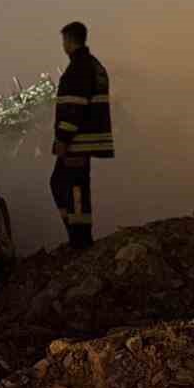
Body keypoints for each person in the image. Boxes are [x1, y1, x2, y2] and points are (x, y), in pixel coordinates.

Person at [51, 22, 113, 249]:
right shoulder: (95, 66)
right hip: (87, 140)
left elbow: (73, 107)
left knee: (69, 187)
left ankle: (79, 239)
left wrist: (62, 139)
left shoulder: (78, 68)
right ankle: (79, 236)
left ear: (69, 40)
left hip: (77, 142)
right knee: (71, 186)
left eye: (64, 41)